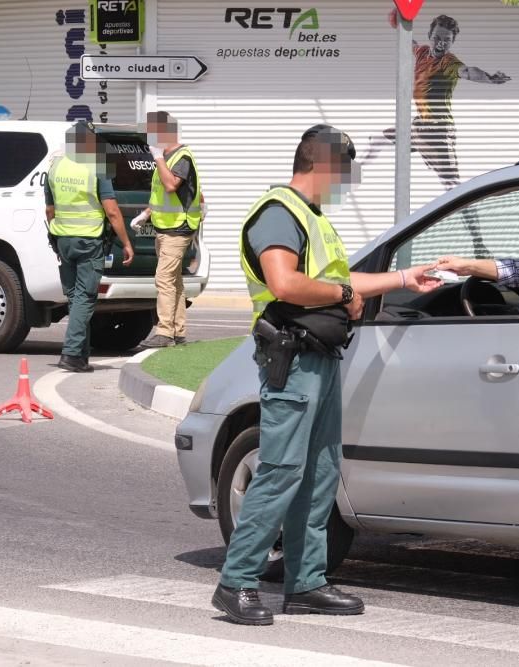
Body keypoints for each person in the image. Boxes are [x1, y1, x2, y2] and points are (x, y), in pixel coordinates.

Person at [212, 125, 441, 626]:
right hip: (292, 362)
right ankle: (236, 582)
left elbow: (341, 277)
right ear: (322, 165)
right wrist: (341, 298)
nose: (347, 183)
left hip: (320, 358)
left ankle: (307, 582)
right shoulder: (279, 214)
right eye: (345, 172)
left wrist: (405, 278)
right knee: (280, 473)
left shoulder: (313, 218)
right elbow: (284, 282)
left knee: (319, 474)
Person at [363, 12, 511, 190]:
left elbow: (468, 71)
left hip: (438, 131)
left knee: (451, 184)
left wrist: (489, 78)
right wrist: (400, 27)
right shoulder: (422, 53)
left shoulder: (449, 63)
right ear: (430, 37)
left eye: (447, 39)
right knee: (380, 138)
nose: (441, 42)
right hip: (421, 126)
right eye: (437, 38)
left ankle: (469, 214)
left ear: (452, 42)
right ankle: (357, 168)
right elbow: (410, 44)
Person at [46, 121, 134, 372]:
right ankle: (72, 353)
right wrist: (126, 243)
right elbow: (112, 211)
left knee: (75, 298)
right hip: (89, 240)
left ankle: (81, 356)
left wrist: (58, 234)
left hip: (63, 240)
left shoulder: (56, 167)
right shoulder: (97, 167)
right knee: (85, 297)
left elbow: (49, 210)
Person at [136, 111, 203, 348]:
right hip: (164, 226)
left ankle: (164, 333)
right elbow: (161, 195)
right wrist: (146, 214)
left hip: (178, 227)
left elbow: (171, 185)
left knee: (163, 279)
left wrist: (158, 159)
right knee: (173, 280)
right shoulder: (166, 157)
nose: (149, 136)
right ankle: (178, 331)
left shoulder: (180, 156)